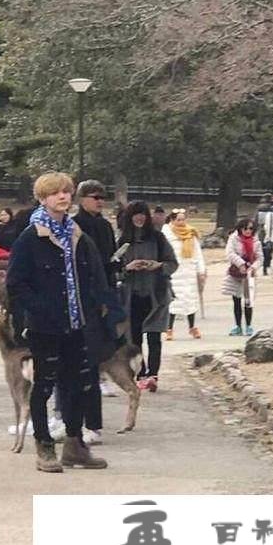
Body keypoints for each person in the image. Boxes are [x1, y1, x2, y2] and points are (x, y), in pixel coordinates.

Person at [7, 172, 108, 473]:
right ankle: (44, 445)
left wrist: (95, 307)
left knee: (77, 384)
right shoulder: (30, 237)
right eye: (55, 193)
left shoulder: (76, 234)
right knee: (44, 385)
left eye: (66, 191)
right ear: (42, 198)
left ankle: (75, 444)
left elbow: (92, 275)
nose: (63, 197)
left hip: (77, 323)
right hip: (44, 326)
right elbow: (16, 284)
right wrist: (39, 311)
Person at [72, 180, 118, 443]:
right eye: (94, 196)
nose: (100, 201)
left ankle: (93, 423)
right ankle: (72, 421)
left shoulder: (103, 226)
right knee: (76, 365)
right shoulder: (75, 225)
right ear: (82, 199)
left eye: (103, 196)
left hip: (99, 300)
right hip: (78, 297)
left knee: (93, 360)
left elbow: (108, 261)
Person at [118, 200, 178, 392]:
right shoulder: (122, 241)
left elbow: (172, 263)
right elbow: (113, 268)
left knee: (154, 336)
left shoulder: (158, 239)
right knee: (134, 339)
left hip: (156, 294)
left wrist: (158, 266)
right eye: (136, 214)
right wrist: (127, 267)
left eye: (143, 213)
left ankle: (153, 374)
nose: (140, 217)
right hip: (131, 295)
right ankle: (140, 373)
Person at [163, 208, 206, 340]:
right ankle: (169, 328)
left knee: (190, 300)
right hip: (174, 272)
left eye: (183, 219)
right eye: (178, 220)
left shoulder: (191, 234)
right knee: (174, 301)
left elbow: (197, 253)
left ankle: (192, 327)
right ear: (172, 220)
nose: (181, 222)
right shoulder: (167, 235)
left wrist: (201, 270)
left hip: (189, 271)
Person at [222, 217, 263, 336]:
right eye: (245, 228)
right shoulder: (234, 239)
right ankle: (237, 325)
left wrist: (254, 267)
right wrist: (240, 263)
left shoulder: (256, 241)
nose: (248, 231)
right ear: (240, 228)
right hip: (236, 272)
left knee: (248, 300)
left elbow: (260, 257)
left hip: (250, 274)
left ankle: (249, 325)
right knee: (236, 300)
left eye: (251, 228)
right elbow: (230, 253)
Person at [254, 194, 273, 275]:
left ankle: (262, 266)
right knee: (269, 247)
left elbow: (255, 220)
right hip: (270, 229)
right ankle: (267, 263)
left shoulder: (259, 208)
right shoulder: (272, 208)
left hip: (261, 230)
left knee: (261, 247)